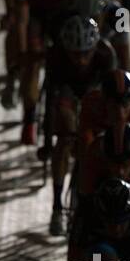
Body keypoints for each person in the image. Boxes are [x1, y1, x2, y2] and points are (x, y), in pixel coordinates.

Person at [43, 15, 117, 234]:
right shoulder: (56, 57)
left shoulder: (106, 55)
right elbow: (50, 101)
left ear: (95, 47)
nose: (81, 60)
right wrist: (50, 140)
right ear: (66, 49)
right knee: (64, 138)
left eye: (86, 53)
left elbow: (112, 102)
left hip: (94, 94)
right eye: (75, 54)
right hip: (67, 91)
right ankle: (57, 207)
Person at [15, 0, 79, 145]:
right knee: (33, 63)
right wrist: (25, 51)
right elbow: (23, 20)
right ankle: (29, 118)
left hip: (61, 24)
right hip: (37, 21)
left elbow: (77, 22)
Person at [78, 68, 130, 160]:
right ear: (103, 102)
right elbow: (86, 143)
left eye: (125, 105)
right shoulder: (91, 103)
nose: (120, 113)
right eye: (114, 106)